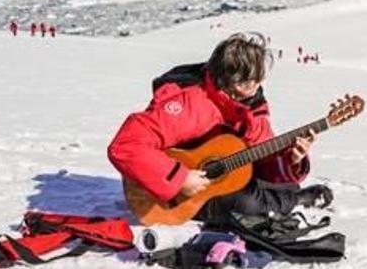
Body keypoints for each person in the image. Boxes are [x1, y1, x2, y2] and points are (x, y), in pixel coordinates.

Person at [107, 33, 332, 222]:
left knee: (267, 188)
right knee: (248, 204)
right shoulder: (190, 103)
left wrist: (291, 160)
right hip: (168, 197)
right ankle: (296, 200)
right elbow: (125, 145)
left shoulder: (252, 108)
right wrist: (179, 179)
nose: (254, 87)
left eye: (257, 79)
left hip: (214, 185)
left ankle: (290, 197)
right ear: (225, 77)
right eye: (245, 81)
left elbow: (263, 160)